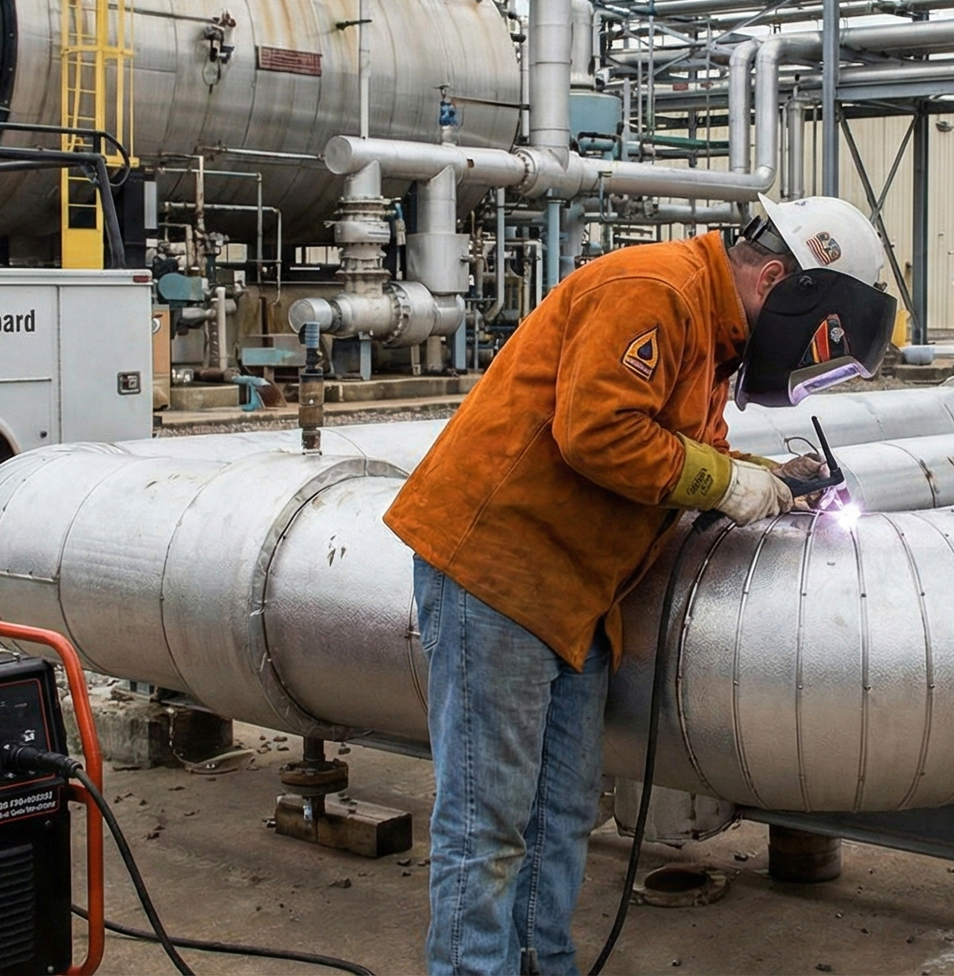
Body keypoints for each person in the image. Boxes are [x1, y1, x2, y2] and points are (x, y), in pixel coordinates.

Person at [384, 195, 898, 975]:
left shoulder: (713, 339)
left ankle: (539, 965)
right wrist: (727, 486)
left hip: (579, 596)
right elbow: (599, 432)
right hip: (498, 574)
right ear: (777, 282)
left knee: (560, 813)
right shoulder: (655, 290)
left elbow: (695, 451)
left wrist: (773, 480)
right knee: (488, 821)